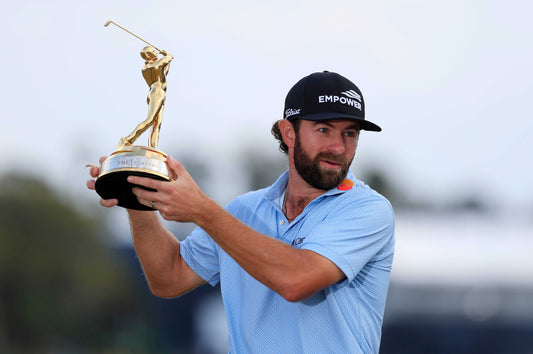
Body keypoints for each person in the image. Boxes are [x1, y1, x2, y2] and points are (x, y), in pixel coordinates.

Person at [87, 71, 395, 353]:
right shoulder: (243, 211)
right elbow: (169, 278)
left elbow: (297, 280)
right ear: (288, 132)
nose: (339, 147)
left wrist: (202, 210)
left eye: (350, 133)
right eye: (324, 129)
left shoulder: (368, 210)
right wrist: (137, 201)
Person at [117, 46, 174, 150]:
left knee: (157, 124)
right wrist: (168, 55)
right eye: (152, 51)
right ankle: (127, 140)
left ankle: (153, 148)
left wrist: (168, 58)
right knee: (150, 120)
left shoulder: (156, 66)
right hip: (156, 92)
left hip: (160, 92)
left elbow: (164, 71)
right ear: (147, 56)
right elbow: (165, 61)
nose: (155, 52)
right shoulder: (148, 67)